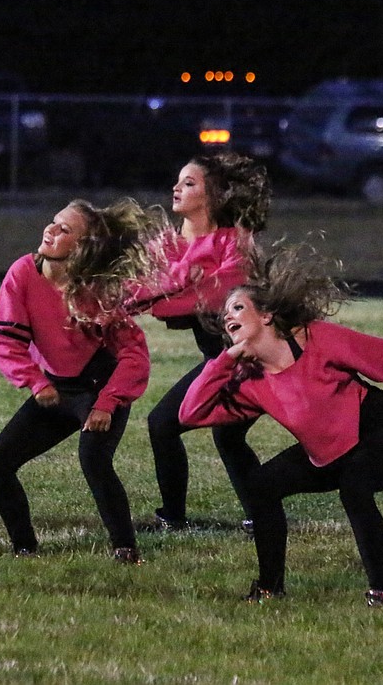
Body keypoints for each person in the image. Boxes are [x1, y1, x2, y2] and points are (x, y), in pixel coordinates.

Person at [179, 246, 383, 605]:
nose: (229, 317)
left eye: (238, 307)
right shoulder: (249, 381)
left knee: (355, 487)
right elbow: (189, 414)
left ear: (268, 315)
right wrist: (223, 361)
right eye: (226, 315)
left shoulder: (315, 338)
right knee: (260, 487)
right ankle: (270, 587)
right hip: (329, 453)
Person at [0, 198, 158, 563]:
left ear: (82, 246)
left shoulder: (99, 288)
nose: (50, 230)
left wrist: (108, 403)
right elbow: (4, 340)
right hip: (54, 389)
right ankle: (25, 548)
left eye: (64, 230)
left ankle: (126, 550)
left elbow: (134, 356)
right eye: (53, 222)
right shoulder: (23, 272)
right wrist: (35, 382)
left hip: (99, 390)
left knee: (94, 461)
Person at [128, 152, 270, 532]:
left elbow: (215, 294)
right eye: (178, 181)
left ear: (212, 196)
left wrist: (165, 294)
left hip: (251, 357)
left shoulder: (234, 241)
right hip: (220, 357)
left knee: (166, 424)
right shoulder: (169, 244)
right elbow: (145, 293)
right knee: (227, 436)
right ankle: (260, 516)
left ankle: (174, 517)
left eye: (189, 183)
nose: (177, 188)